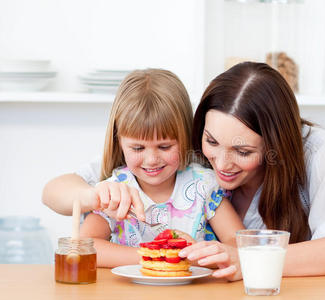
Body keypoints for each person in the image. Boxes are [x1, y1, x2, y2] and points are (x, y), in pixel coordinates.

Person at [42, 63, 325, 279]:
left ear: (276, 146)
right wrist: (93, 196)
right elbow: (62, 192)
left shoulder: (315, 152)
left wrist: (245, 257)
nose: (221, 165)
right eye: (212, 142)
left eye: (243, 151)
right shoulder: (175, 157)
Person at [66, 69, 244, 268]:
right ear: (120, 143)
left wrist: (196, 253)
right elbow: (84, 246)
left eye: (164, 147)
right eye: (138, 148)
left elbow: (238, 245)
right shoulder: (116, 191)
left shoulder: (204, 185)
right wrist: (156, 255)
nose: (151, 160)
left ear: (185, 137)